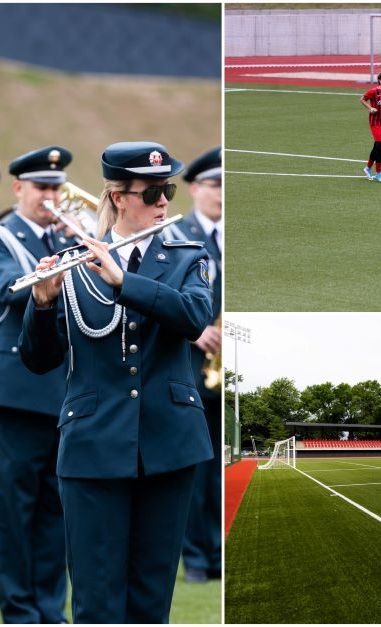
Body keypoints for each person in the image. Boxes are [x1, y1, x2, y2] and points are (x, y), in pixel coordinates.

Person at [19, 141, 214, 623]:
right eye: (152, 193)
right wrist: (41, 305)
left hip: (169, 445)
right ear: (117, 195)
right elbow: (38, 360)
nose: (165, 201)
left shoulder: (189, 255)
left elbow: (194, 316)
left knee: (151, 600)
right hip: (92, 445)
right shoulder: (73, 263)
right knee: (96, 598)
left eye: (167, 189)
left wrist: (124, 283)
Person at [0, 146, 70, 623]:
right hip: (15, 393)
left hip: (63, 392)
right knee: (14, 512)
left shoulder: (69, 237)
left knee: (57, 510)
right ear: (19, 189)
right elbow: (4, 287)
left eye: (56, 187)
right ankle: (18, 610)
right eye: (41, 188)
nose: (50, 196)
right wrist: (58, 268)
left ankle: (50, 608)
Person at [170, 147, 223, 584]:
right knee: (194, 472)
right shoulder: (177, 234)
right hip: (187, 366)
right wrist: (193, 329)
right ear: (194, 188)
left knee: (225, 467)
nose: (222, 193)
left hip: (230, 368)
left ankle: (219, 552)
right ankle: (198, 558)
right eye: (214, 184)